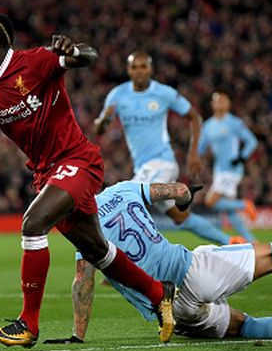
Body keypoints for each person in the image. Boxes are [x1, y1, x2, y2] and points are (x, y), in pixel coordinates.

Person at [0, 12, 176, 348]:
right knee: (96, 250)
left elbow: (89, 57)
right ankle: (158, 291)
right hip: (46, 172)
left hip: (77, 161)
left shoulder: (35, 62)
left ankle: (28, 324)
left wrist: (74, 51)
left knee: (32, 223)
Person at [43, 181, 272, 344]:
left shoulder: (83, 232)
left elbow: (82, 283)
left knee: (243, 325)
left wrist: (78, 335)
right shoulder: (124, 189)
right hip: (191, 270)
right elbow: (175, 192)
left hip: (173, 311)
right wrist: (186, 193)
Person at [93, 51, 249, 245]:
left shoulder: (163, 93)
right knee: (181, 217)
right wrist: (104, 119)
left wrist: (193, 153)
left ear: (150, 69)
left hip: (162, 162)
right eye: (134, 67)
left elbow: (194, 117)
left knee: (127, 200)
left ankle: (124, 267)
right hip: (143, 167)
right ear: (128, 70)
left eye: (143, 66)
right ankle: (232, 241)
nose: (139, 71)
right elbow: (98, 128)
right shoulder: (117, 95)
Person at [198, 89, 260, 243]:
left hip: (231, 170)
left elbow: (252, 141)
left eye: (222, 100)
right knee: (229, 211)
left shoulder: (234, 123)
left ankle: (245, 204)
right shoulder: (208, 126)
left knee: (210, 201)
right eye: (216, 101)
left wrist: (241, 158)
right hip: (219, 170)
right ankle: (252, 242)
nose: (219, 103)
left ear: (228, 104)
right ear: (212, 104)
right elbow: (200, 147)